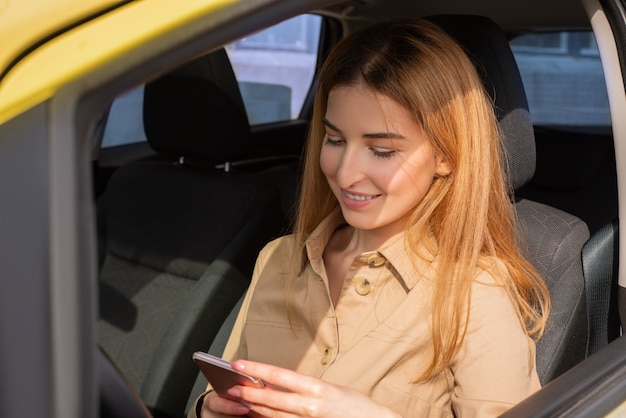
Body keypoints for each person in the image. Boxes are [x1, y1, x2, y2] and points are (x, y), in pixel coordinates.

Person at [190, 18, 550, 418]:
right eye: (335, 140)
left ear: (446, 156)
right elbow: (224, 385)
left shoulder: (473, 294)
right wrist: (211, 408)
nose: (344, 174)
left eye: (381, 151)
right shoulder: (278, 258)